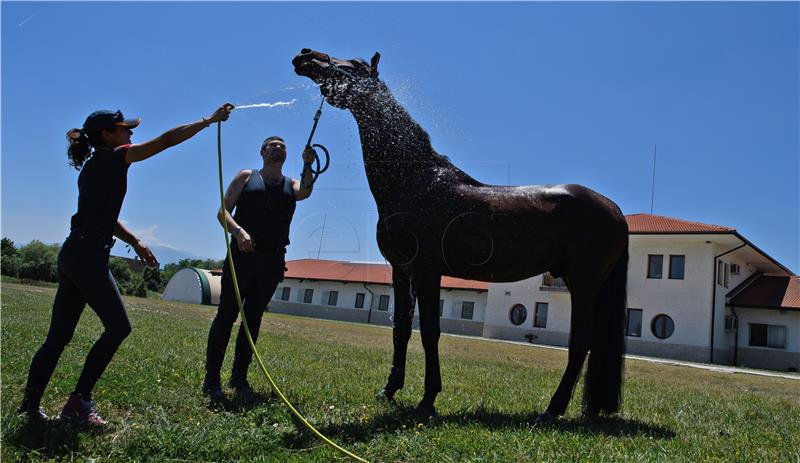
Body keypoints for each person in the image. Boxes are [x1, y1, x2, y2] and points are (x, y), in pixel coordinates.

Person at [19, 104, 233, 425]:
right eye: (124, 128)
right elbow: (166, 141)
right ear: (107, 134)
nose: (131, 132)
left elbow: (105, 215)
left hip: (75, 253)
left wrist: (135, 241)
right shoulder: (112, 157)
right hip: (88, 256)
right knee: (119, 327)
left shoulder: (94, 165)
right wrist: (208, 121)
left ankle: (30, 406)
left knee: (59, 337)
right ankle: (79, 402)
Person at [203, 136, 316, 400]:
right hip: (243, 255)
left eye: (283, 146)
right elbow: (223, 211)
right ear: (263, 151)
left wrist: (307, 164)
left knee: (253, 319)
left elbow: (306, 192)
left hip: (273, 259)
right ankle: (212, 380)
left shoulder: (292, 183)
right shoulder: (246, 176)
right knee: (226, 315)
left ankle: (239, 378)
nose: (279, 148)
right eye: (273, 145)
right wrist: (239, 231)